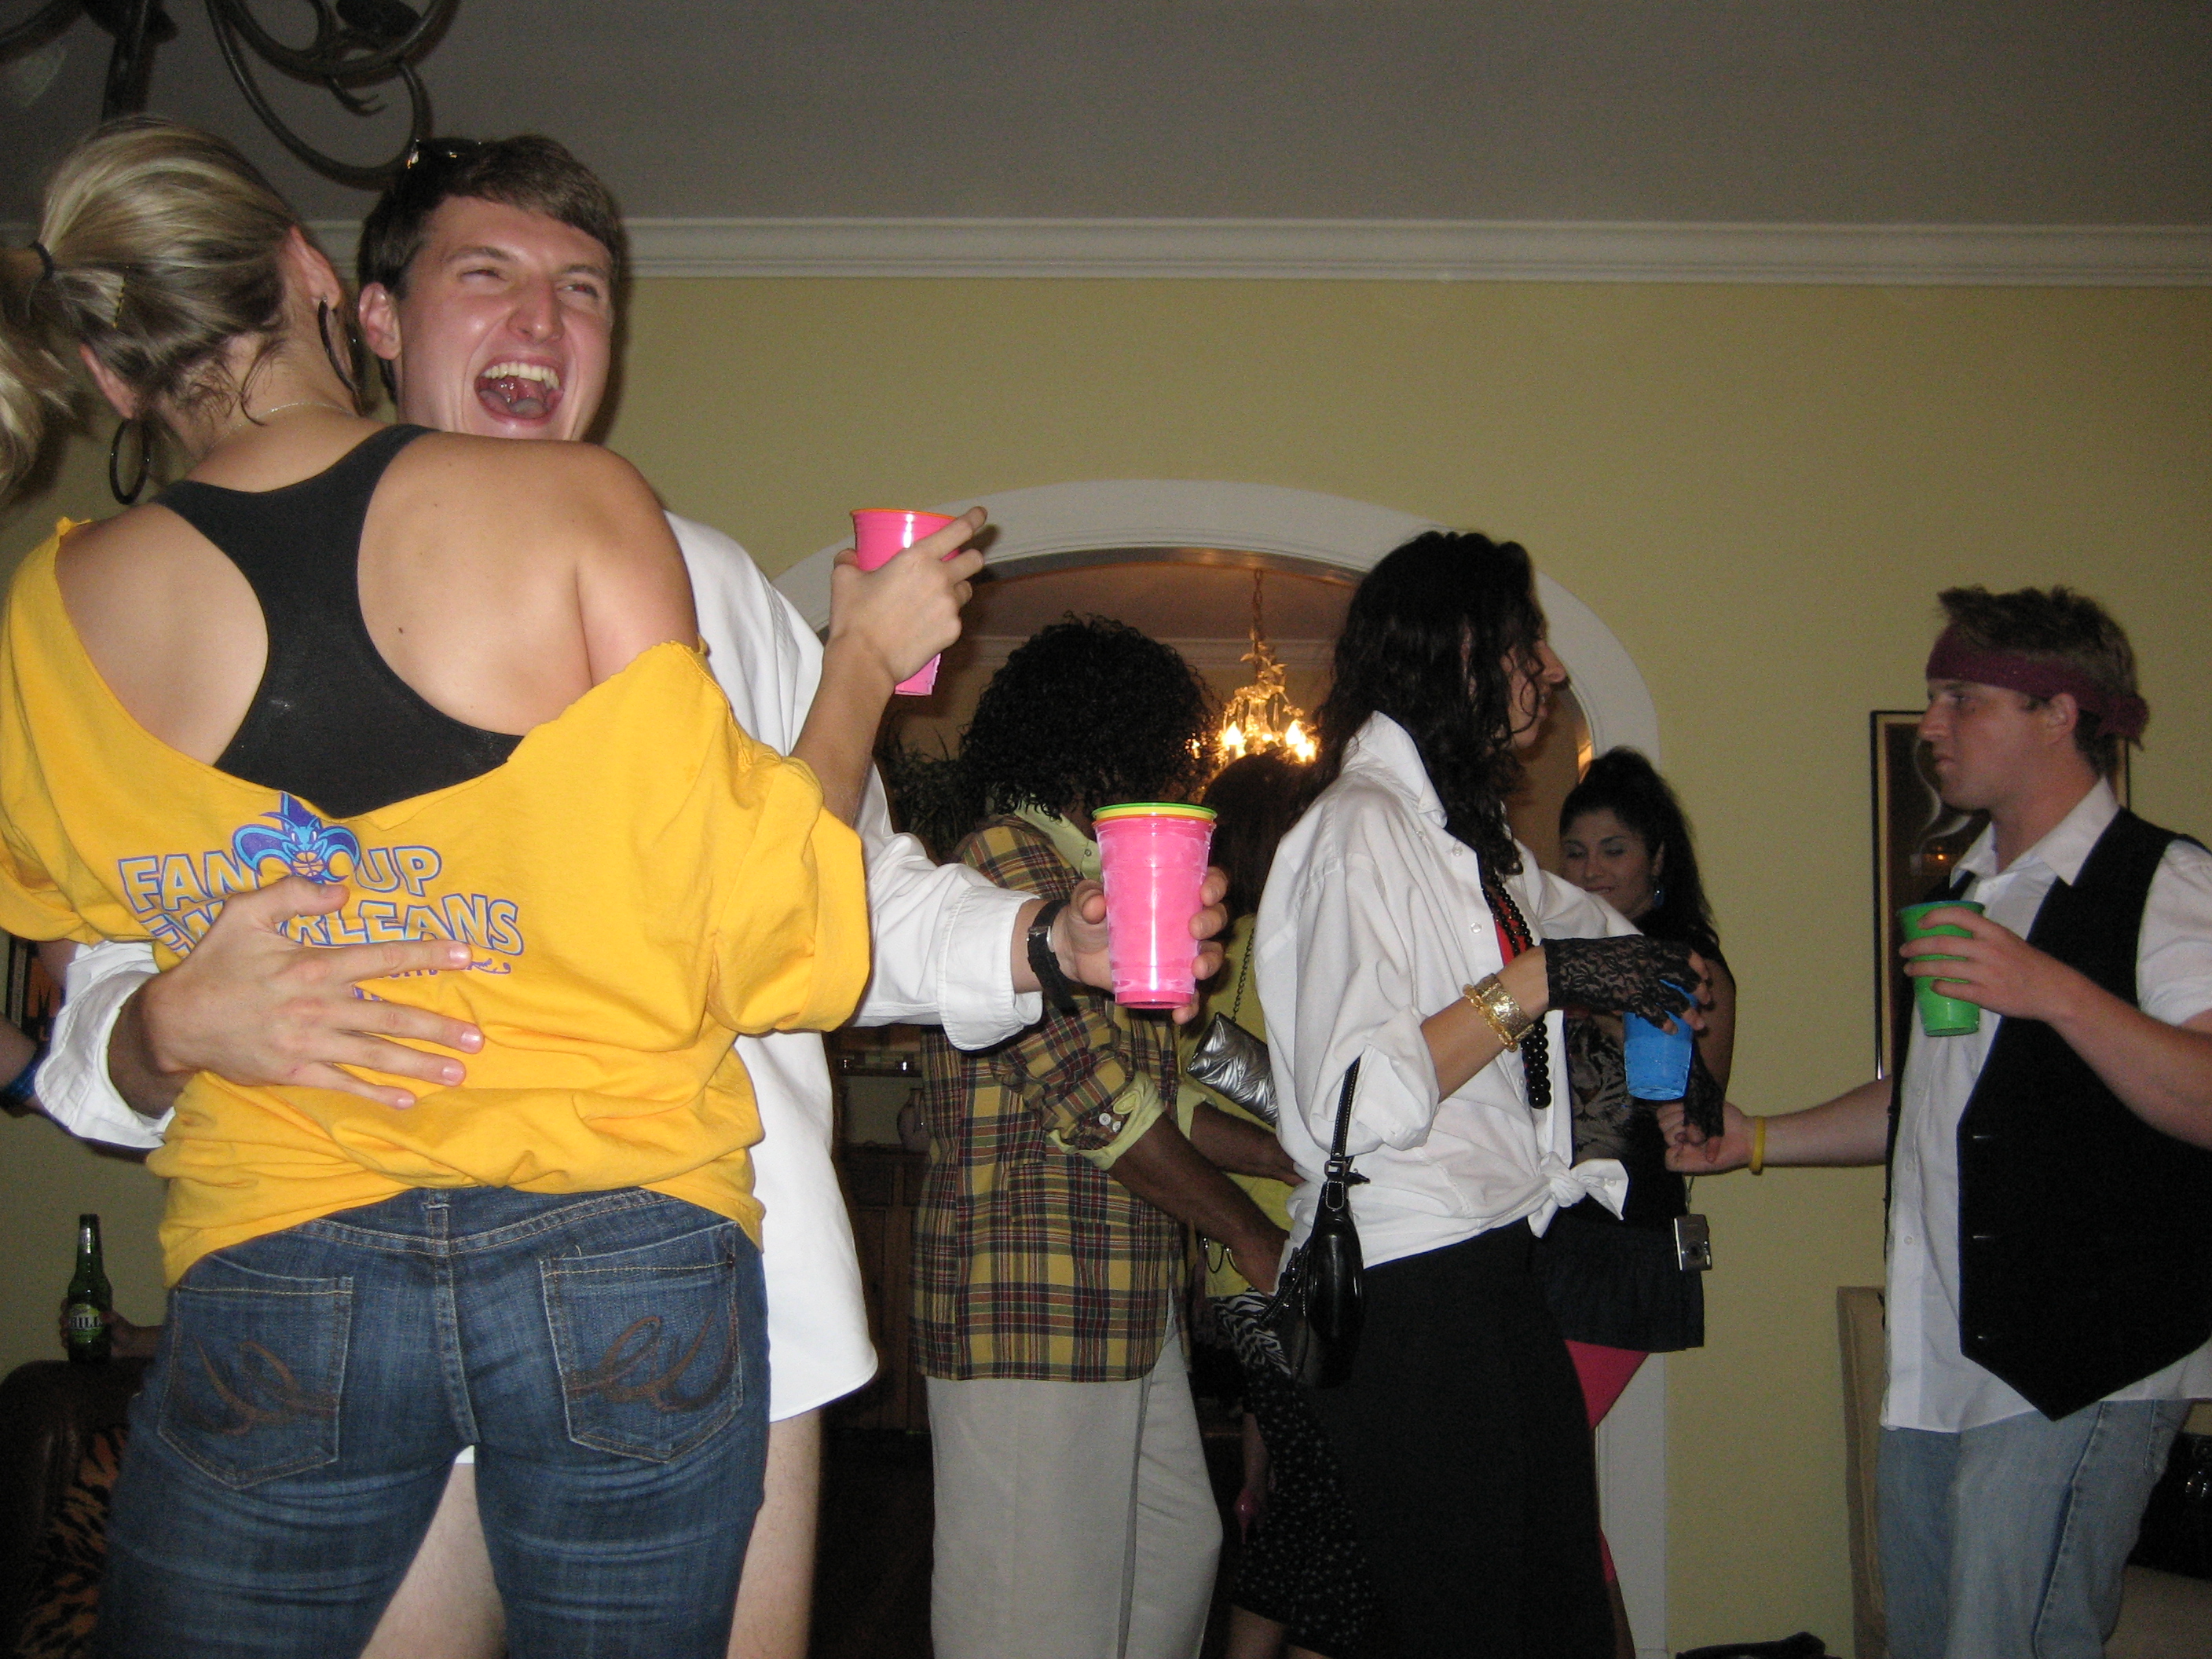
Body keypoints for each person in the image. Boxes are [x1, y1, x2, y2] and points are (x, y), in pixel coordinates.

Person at [27, 133, 1225, 1658]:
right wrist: (159, 1029)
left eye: (584, 289)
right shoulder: (220, 597)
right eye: (489, 275)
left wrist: (1047, 935)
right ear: (360, 305)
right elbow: (88, 1016)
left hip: (694, 1265)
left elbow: (851, 899)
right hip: (350, 1252)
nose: (542, 321)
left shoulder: (694, 573)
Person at [1668, 585, 2212, 1659]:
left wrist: (2053, 991)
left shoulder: (2166, 882)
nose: (1932, 724)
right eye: (1934, 697)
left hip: (2079, 1363)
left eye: (1963, 697)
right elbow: (1936, 1105)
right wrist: (1756, 1138)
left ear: (2059, 711)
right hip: (1940, 1362)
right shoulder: (1971, 892)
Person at [1253, 530, 1707, 1659]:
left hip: (1496, 1267)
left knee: (1555, 1619)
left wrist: (1668, 987)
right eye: (1526, 643)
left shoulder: (1469, 846)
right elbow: (1355, 1100)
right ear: (1461, 654)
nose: (1551, 669)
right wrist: (1539, 982)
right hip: (1414, 1292)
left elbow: (1597, 935)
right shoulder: (1356, 833)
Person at [914, 618, 1288, 1659]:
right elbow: (1096, 1100)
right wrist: (1248, 1234)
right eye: (1163, 750)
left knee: (1173, 1557)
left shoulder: (1101, 885)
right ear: (1108, 742)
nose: (1174, 777)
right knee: (1032, 1620)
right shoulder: (1007, 861)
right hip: (1027, 1296)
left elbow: (1158, 1095)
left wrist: (1285, 1156)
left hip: (1121, 1303)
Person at [1188, 751, 1375, 1659]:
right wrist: (1291, 1153)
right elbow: (1181, 1115)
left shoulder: (1218, 954)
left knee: (1302, 1505)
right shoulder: (1282, 947)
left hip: (1247, 1271)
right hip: (1285, 1260)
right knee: (1335, 1509)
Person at [1551, 747, 1737, 1658]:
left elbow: (1697, 1122)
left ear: (1657, 858)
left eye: (1613, 849)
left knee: (1537, 1465)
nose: (1591, 870)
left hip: (1623, 1249)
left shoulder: (1689, 969)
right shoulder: (1550, 960)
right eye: (1574, 852)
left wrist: (1619, 1010)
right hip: (1544, 1242)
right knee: (1542, 1478)